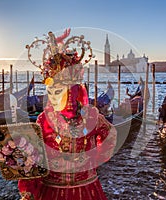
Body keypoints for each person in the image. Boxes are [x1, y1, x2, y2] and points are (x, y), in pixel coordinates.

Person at [18, 29, 117, 200]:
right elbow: (32, 156)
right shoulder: (44, 120)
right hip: (51, 190)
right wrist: (27, 188)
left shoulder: (91, 116)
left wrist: (94, 159)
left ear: (75, 91)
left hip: (86, 189)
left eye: (63, 91)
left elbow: (110, 136)